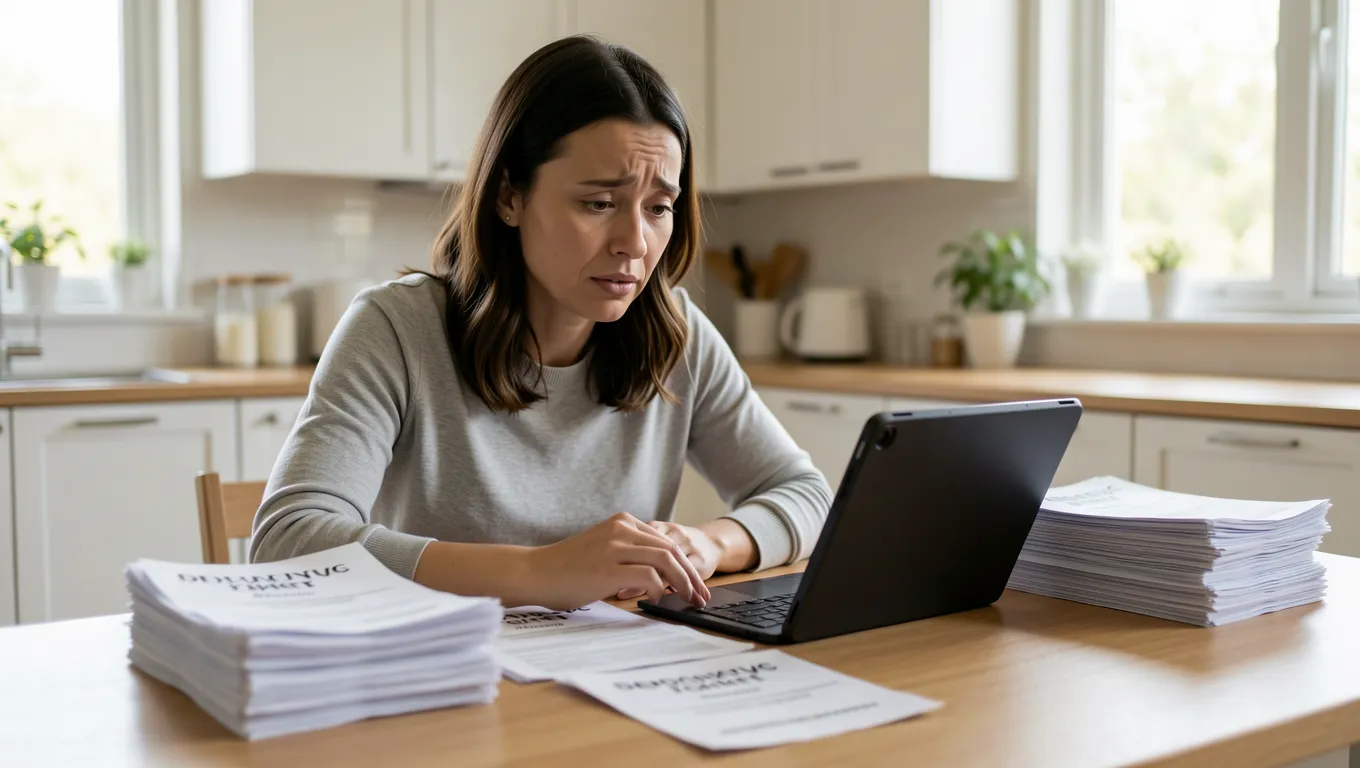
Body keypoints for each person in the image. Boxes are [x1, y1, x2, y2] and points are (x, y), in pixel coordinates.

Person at [249, 36, 832, 611]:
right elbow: (287, 541)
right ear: (509, 197)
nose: (635, 243)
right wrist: (537, 571)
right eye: (598, 203)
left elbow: (807, 495)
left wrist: (707, 543)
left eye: (659, 208)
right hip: (439, 671)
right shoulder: (396, 329)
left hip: (609, 674)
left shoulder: (677, 334)